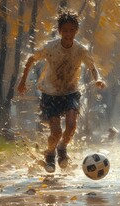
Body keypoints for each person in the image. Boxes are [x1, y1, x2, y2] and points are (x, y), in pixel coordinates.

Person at [17, 10, 106, 173]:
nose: (68, 34)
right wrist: (23, 81)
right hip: (50, 93)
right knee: (56, 131)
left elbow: (92, 67)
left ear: (76, 31)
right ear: (59, 31)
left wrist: (97, 79)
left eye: (72, 30)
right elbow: (31, 59)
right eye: (65, 30)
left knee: (71, 126)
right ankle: (50, 154)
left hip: (71, 92)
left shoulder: (80, 49)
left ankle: (62, 148)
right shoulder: (50, 47)